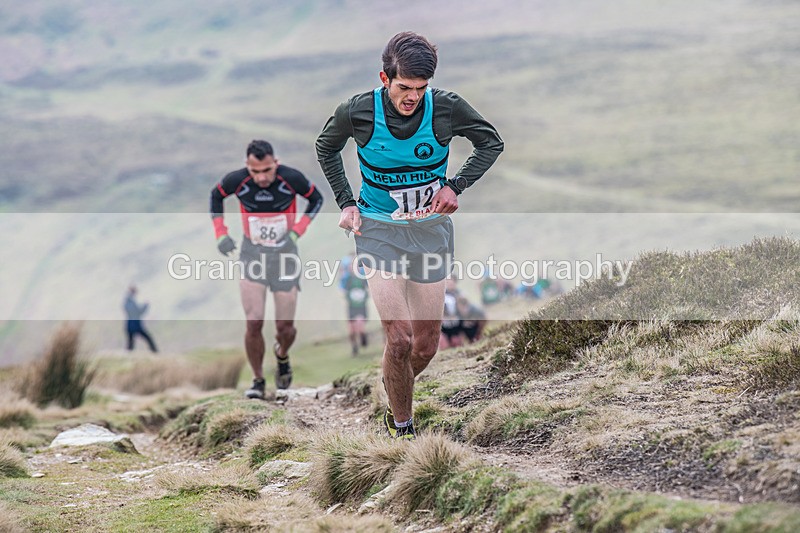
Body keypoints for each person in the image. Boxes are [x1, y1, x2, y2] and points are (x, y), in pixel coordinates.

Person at [316, 32, 503, 439]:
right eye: (404, 87)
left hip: (430, 232)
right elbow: (325, 147)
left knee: (424, 346)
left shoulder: (446, 108)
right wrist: (347, 202)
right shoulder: (358, 111)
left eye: (421, 89)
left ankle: (393, 384)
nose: (412, 97)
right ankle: (403, 428)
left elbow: (491, 143)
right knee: (397, 338)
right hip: (378, 230)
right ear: (384, 77)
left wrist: (456, 185)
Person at [210, 140, 323, 399]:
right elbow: (216, 196)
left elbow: (316, 199)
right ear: (247, 167)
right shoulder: (237, 180)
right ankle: (258, 380)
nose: (261, 177)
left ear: (276, 163)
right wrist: (221, 235)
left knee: (285, 328)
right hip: (253, 254)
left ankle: (282, 355)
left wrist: (295, 234)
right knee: (254, 321)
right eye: (255, 172)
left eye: (266, 170)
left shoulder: (291, 178)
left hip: (285, 257)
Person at [342, 259, 370, 356]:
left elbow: (368, 289)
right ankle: (354, 347)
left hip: (361, 307)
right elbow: (342, 290)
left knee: (360, 326)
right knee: (351, 331)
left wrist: (364, 296)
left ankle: (363, 338)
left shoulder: (363, 278)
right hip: (351, 307)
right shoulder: (347, 279)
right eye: (350, 266)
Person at [123, 285, 158, 353]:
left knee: (131, 342)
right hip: (135, 325)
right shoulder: (129, 301)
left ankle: (128, 354)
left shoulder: (128, 301)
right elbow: (137, 312)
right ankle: (155, 351)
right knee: (146, 338)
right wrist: (145, 306)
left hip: (131, 325)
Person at [439, 278, 463, 349]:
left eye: (452, 283)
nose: (450, 285)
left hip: (456, 326)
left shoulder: (460, 294)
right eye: (448, 283)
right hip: (444, 327)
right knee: (443, 345)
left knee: (457, 343)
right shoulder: (441, 294)